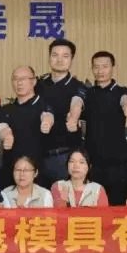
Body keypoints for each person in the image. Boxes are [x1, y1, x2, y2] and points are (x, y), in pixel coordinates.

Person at [82, 51, 127, 205]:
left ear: (113, 68)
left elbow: (126, 99)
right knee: (93, 206)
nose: (100, 71)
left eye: (105, 66)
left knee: (117, 206)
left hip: (117, 162)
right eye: (96, 67)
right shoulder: (87, 94)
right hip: (92, 162)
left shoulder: (122, 91)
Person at [36, 39, 87, 188]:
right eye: (55, 55)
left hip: (66, 157)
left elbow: (77, 102)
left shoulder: (78, 86)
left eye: (65, 56)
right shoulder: (39, 85)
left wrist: (73, 117)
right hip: (39, 156)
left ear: (71, 59)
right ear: (49, 57)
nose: (59, 60)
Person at [0, 66, 54, 189]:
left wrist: (47, 123)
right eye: (15, 79)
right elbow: (1, 127)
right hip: (10, 174)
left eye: (23, 79)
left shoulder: (43, 105)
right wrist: (6, 136)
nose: (19, 83)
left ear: (33, 81)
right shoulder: (6, 109)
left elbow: (48, 116)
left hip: (37, 173)